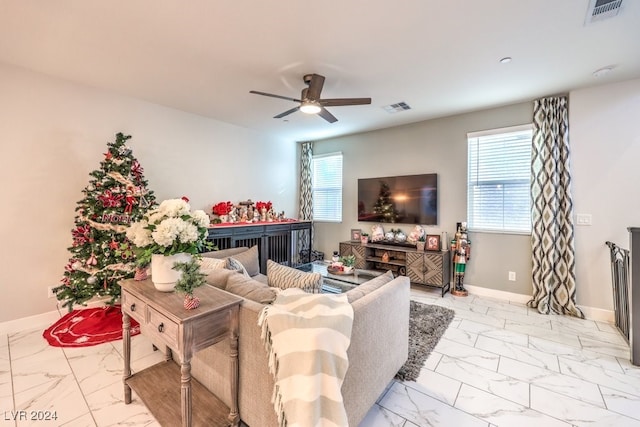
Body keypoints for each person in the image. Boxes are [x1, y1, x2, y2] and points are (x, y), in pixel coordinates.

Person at [452, 222, 471, 296]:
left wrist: (468, 255)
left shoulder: (467, 241)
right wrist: (455, 248)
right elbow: (453, 245)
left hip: (464, 257)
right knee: (457, 271)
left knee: (462, 271)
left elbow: (468, 249)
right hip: (458, 257)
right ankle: (456, 285)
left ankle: (461, 285)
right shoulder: (457, 239)